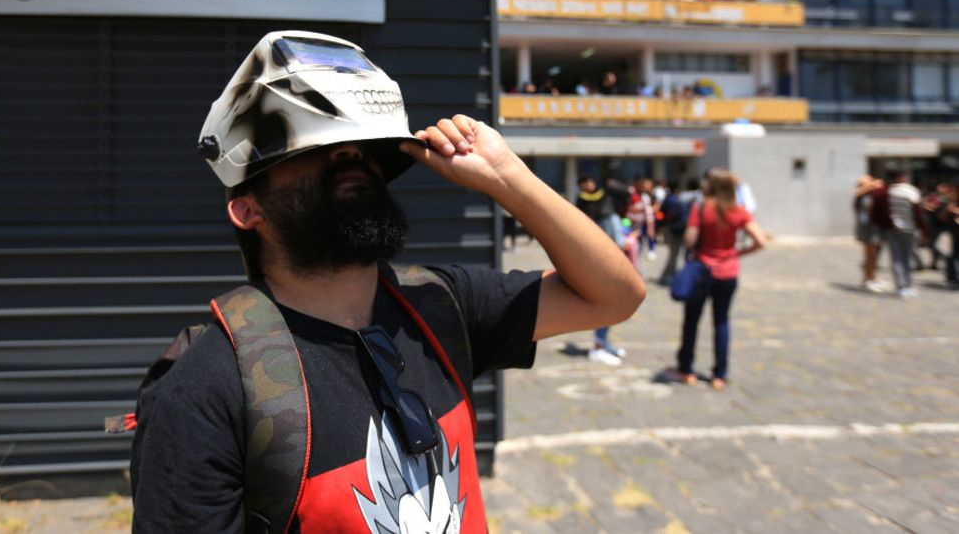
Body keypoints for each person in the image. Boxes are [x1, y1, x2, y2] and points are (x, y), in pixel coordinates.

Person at [130, 31, 645, 532]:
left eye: (361, 147)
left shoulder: (442, 305)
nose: (350, 154)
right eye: (312, 149)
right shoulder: (207, 389)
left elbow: (616, 295)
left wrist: (508, 176)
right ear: (247, 209)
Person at [667, 169, 767, 390]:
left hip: (703, 270)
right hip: (728, 272)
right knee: (721, 322)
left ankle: (686, 370)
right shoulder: (739, 211)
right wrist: (738, 253)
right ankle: (719, 375)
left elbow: (690, 240)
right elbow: (760, 240)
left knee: (692, 321)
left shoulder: (701, 208)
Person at [573, 176, 630, 365]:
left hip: (596, 263)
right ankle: (599, 346)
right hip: (603, 267)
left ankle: (603, 343)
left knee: (609, 305)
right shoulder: (608, 215)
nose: (589, 186)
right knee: (607, 305)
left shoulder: (592, 205)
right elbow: (621, 244)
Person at [872, 169, 924, 298]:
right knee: (907, 258)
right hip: (909, 229)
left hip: (893, 228)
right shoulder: (911, 191)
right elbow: (918, 213)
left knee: (896, 258)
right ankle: (908, 285)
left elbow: (878, 211)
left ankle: (900, 286)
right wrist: (922, 229)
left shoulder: (887, 192)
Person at [657, 178, 701, 286]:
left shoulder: (678, 197)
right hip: (683, 229)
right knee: (683, 255)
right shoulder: (697, 197)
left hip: (674, 229)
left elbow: (662, 213)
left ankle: (670, 276)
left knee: (675, 254)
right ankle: (670, 277)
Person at [854, 175, 885, 292]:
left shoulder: (869, 194)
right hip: (867, 228)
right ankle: (868, 279)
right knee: (869, 256)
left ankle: (872, 277)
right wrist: (872, 184)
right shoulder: (861, 195)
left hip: (872, 228)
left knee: (873, 255)